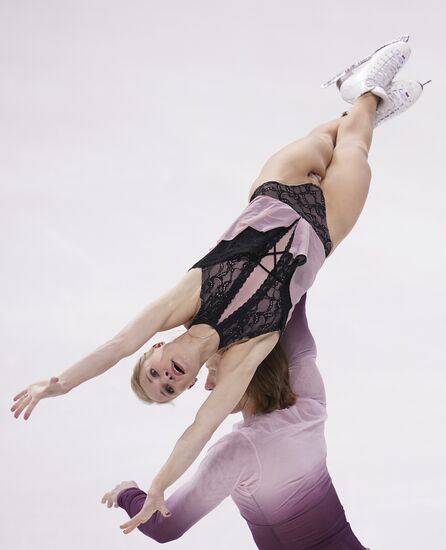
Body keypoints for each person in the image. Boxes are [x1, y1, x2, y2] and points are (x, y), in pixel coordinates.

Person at [11, 36, 427, 532]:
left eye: (155, 373)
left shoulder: (184, 301)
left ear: (158, 349)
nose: (168, 378)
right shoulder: (242, 356)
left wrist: (58, 385)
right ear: (189, 384)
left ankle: (361, 90)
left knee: (328, 138)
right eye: (171, 388)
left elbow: (117, 345)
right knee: (356, 143)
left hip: (277, 188)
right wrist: (161, 483)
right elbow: (201, 428)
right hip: (324, 229)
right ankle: (364, 93)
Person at [102, 293, 370, 549]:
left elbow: (163, 527)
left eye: (214, 372)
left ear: (241, 371)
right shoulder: (309, 400)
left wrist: (128, 493)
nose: (208, 387)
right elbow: (295, 295)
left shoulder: (238, 452)